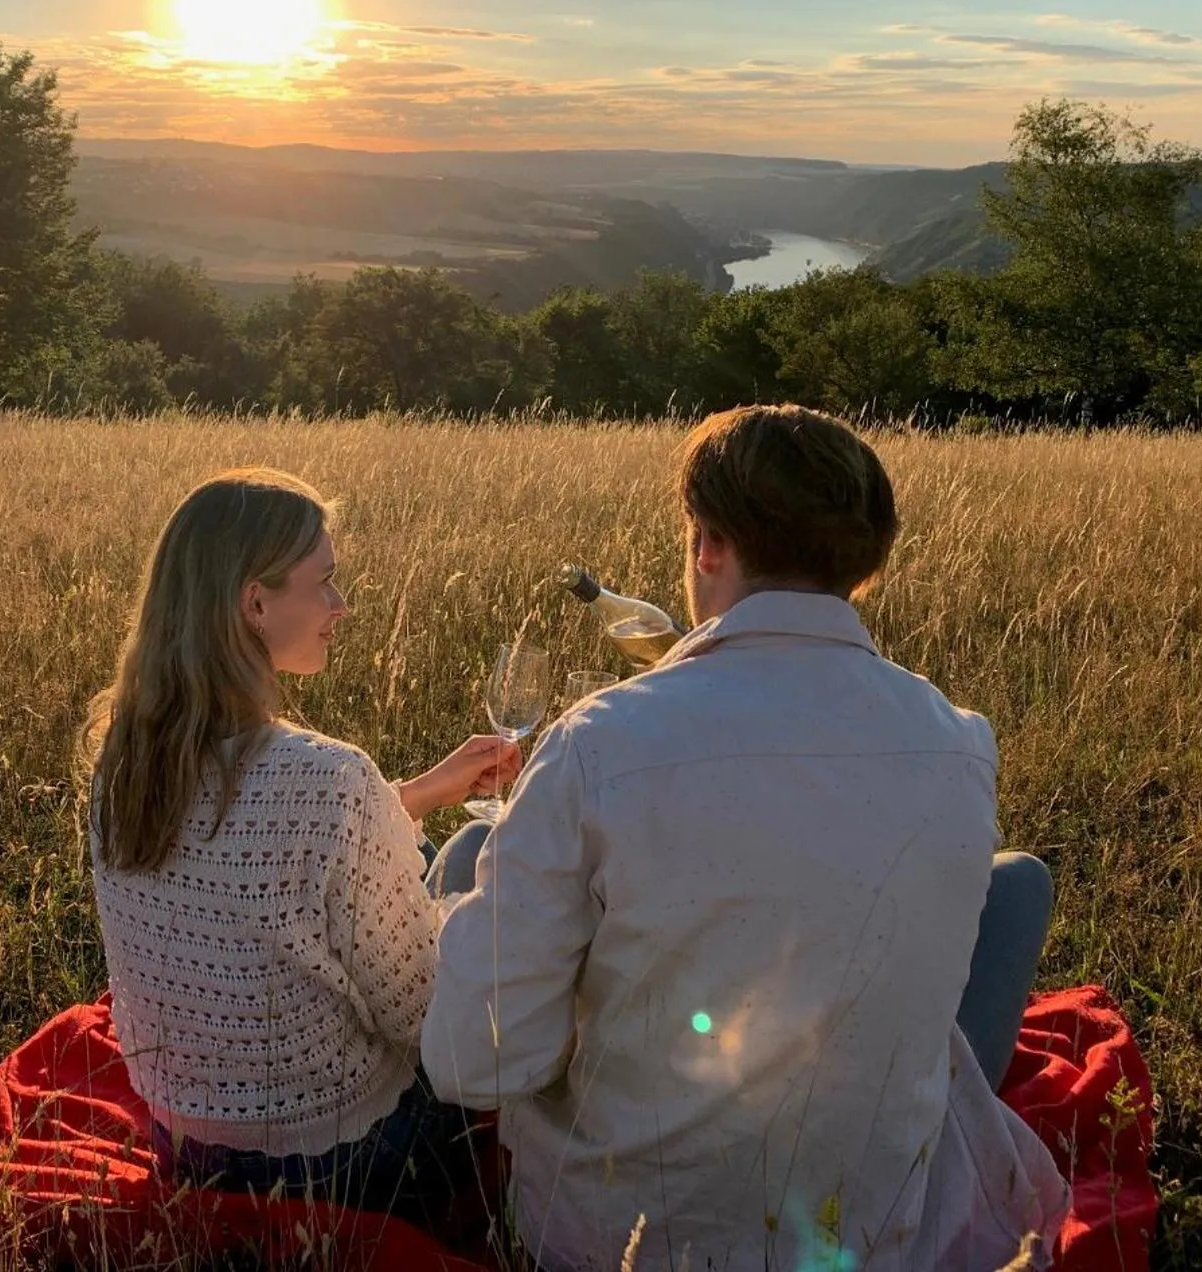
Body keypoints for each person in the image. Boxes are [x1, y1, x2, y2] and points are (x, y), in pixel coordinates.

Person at [422, 407, 1071, 1271]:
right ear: (864, 563)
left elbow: (477, 1065)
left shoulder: (600, 739)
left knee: (477, 874)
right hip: (874, 1233)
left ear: (708, 546)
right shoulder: (958, 739)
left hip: (617, 1239)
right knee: (1017, 883)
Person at [84, 467, 518, 1230]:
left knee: (451, 848)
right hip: (350, 1162)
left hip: (188, 1148)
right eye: (324, 583)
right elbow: (420, 1022)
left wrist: (410, 798)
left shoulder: (120, 761)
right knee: (473, 852)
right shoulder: (327, 780)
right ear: (255, 603)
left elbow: (250, 849)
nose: (339, 607)